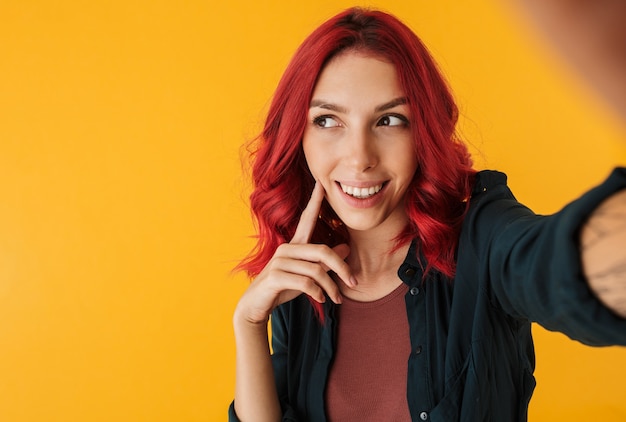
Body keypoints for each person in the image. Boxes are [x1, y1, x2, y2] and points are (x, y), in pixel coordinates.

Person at [229, 7, 626, 421]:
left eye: (389, 120)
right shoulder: (301, 284)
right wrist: (249, 324)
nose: (359, 157)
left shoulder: (482, 241)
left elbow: (556, 265)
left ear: (425, 132)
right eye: (328, 120)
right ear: (298, 136)